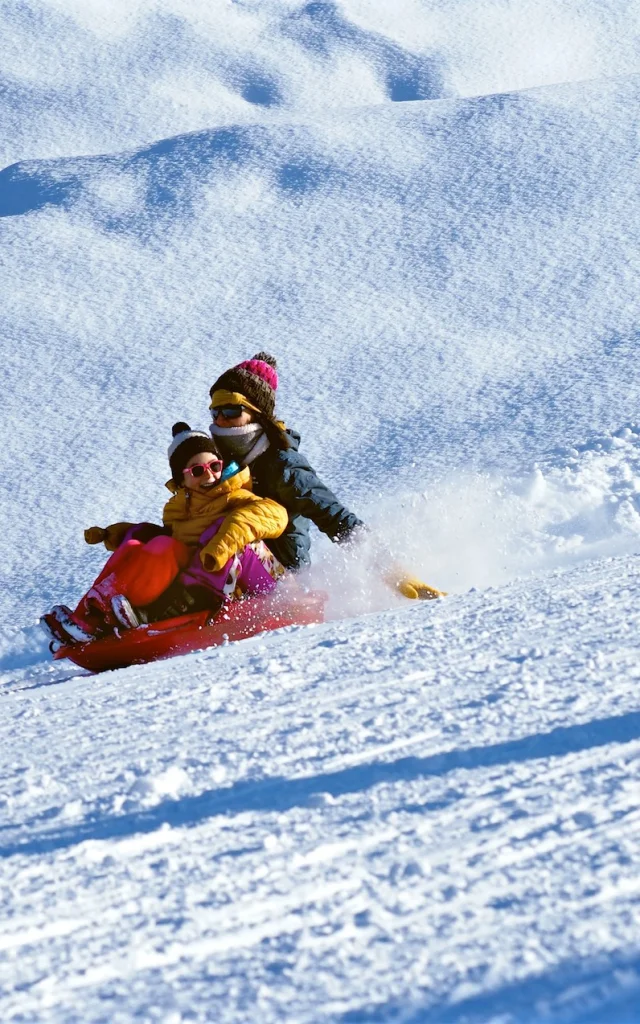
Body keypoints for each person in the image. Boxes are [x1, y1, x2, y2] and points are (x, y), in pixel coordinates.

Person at [208, 352, 444, 599]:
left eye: (232, 410)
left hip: (281, 580)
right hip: (231, 575)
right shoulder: (217, 464)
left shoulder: (281, 466)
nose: (221, 420)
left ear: (257, 413)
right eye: (216, 413)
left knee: (232, 536)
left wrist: (392, 571)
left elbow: (334, 516)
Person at [41, 423, 289, 645]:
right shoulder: (177, 510)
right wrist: (123, 534)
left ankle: (162, 612)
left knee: (223, 532)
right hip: (196, 586)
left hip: (260, 587)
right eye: (197, 470)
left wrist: (230, 533)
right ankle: (89, 616)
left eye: (215, 466)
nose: (210, 475)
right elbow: (168, 541)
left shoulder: (233, 494)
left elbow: (276, 515)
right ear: (181, 479)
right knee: (146, 540)